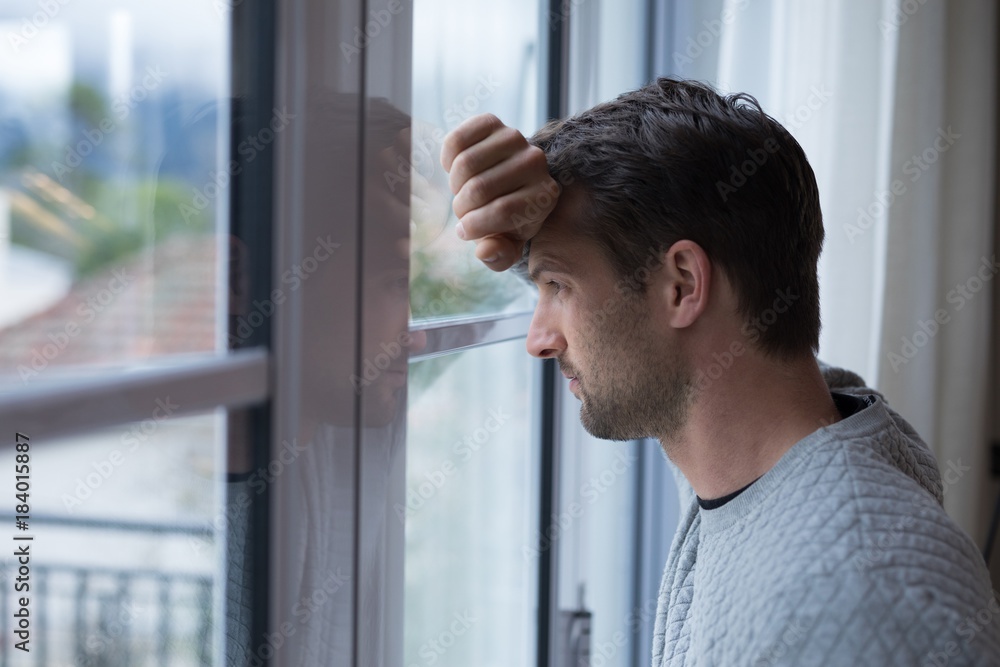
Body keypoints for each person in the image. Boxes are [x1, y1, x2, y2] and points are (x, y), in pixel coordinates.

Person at [441, 77, 1000, 666]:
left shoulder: (858, 600)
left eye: (557, 286)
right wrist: (514, 209)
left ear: (682, 285)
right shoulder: (794, 435)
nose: (538, 340)